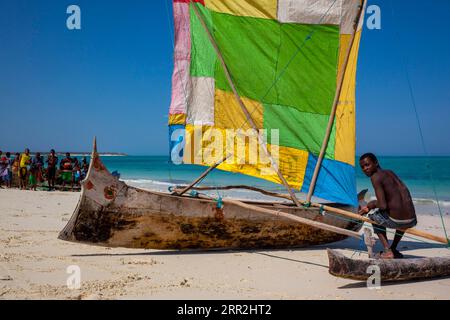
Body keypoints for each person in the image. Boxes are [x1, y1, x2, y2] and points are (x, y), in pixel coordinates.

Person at [358, 153, 417, 259]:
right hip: (411, 219)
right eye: (362, 167)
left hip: (400, 220)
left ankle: (388, 250)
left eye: (367, 165)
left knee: (373, 217)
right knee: (398, 215)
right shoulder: (390, 172)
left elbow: (383, 205)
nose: (365, 169)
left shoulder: (375, 177)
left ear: (376, 163)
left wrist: (370, 205)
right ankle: (394, 249)